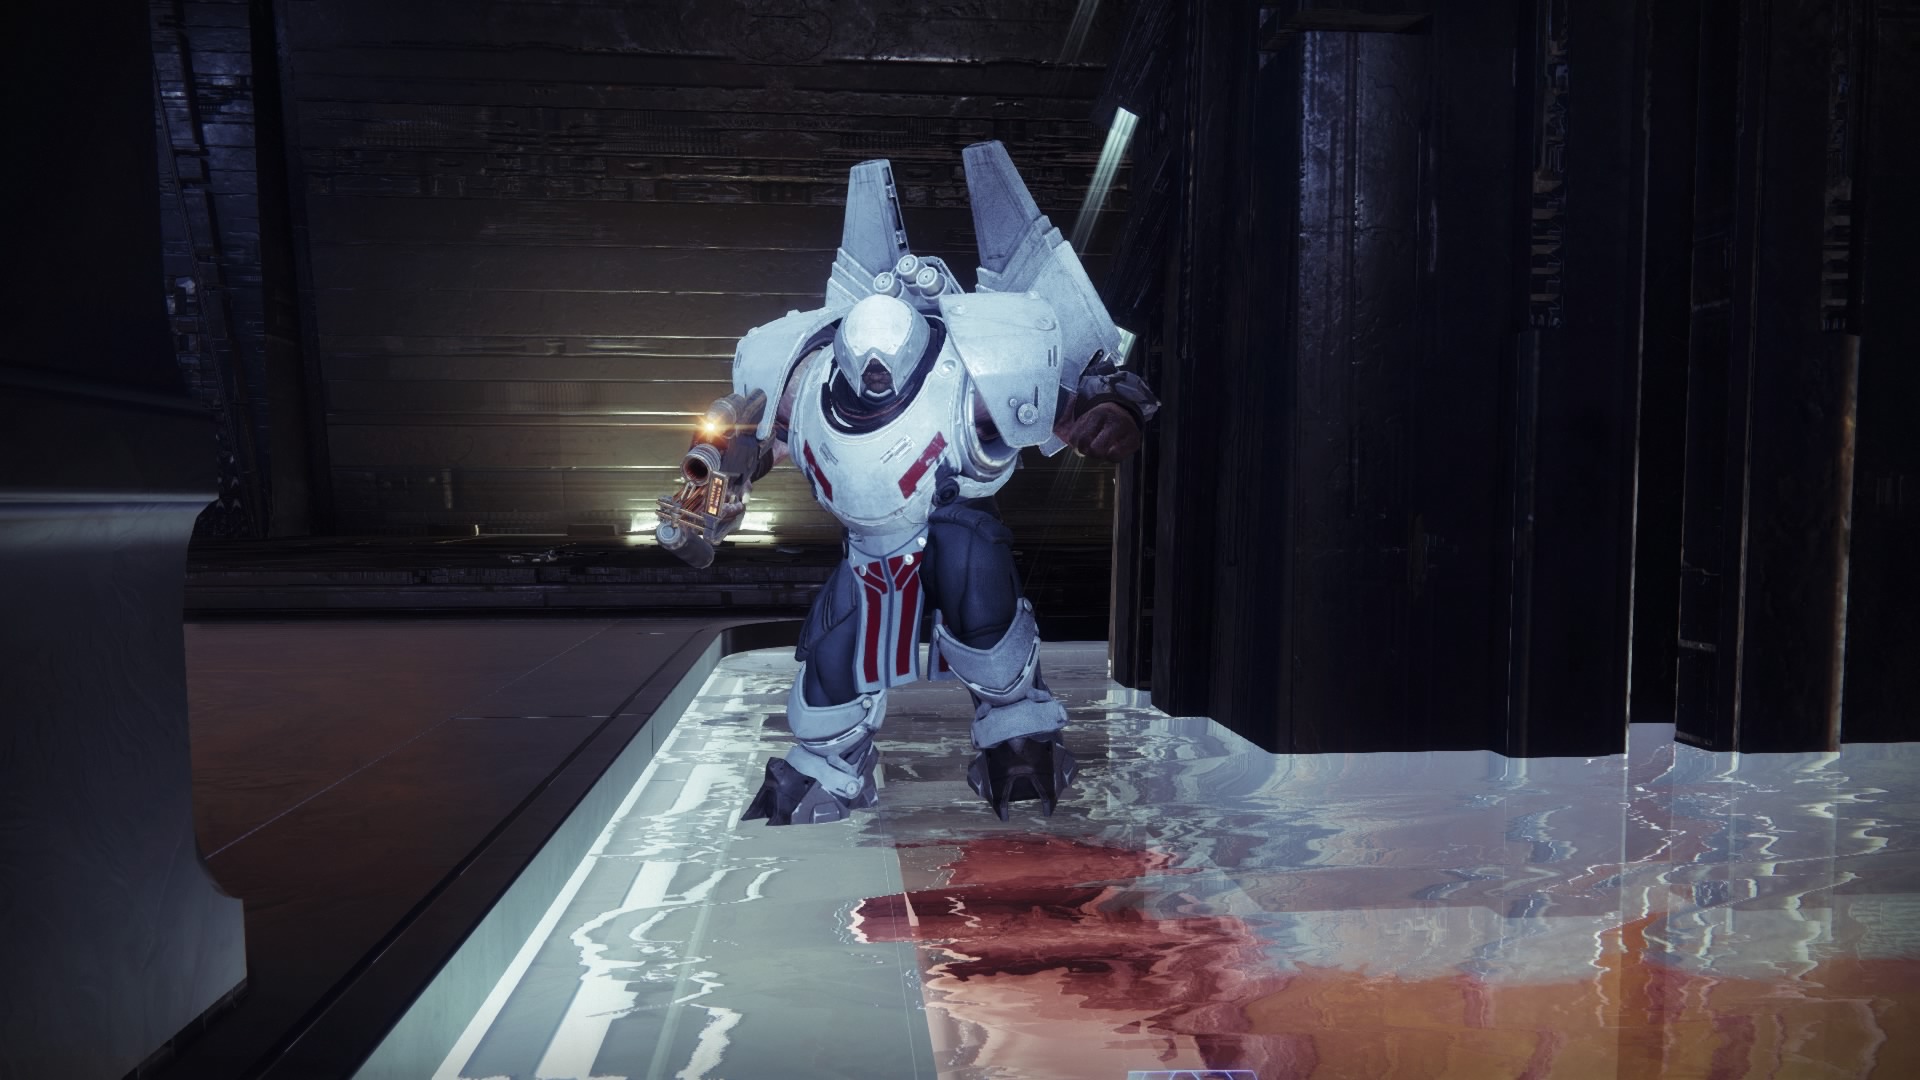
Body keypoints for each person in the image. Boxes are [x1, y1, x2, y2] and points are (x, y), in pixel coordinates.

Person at [657, 142, 1157, 825]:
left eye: (884, 375)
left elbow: (1086, 393)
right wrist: (711, 490)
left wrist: (1113, 410)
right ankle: (832, 761)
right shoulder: (800, 377)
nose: (874, 385)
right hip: (870, 549)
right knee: (834, 660)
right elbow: (744, 440)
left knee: (981, 602)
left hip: (952, 527)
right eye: (862, 376)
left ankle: (1017, 735)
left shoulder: (970, 376)